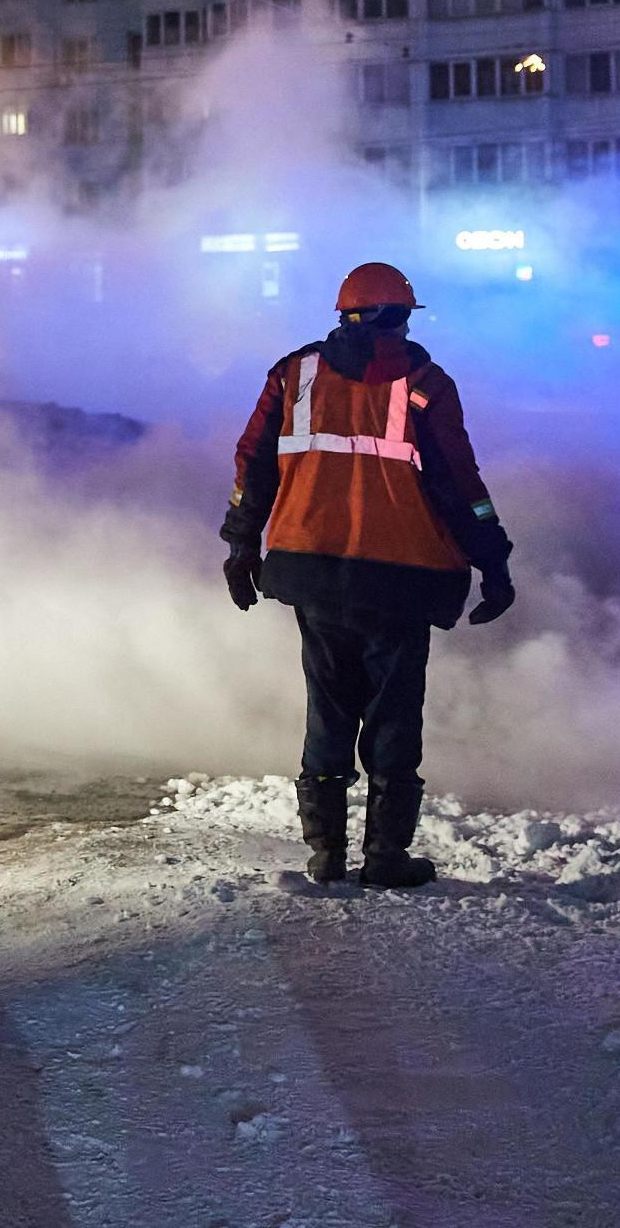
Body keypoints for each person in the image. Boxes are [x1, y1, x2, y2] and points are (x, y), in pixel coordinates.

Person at [218, 260, 514, 888]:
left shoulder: (293, 375)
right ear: (400, 318)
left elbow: (254, 464)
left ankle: (326, 857)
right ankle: (384, 859)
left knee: (328, 710)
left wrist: (243, 546)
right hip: (402, 579)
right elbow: (463, 487)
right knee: (393, 717)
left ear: (344, 316)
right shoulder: (425, 385)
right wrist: (494, 559)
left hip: (314, 573)